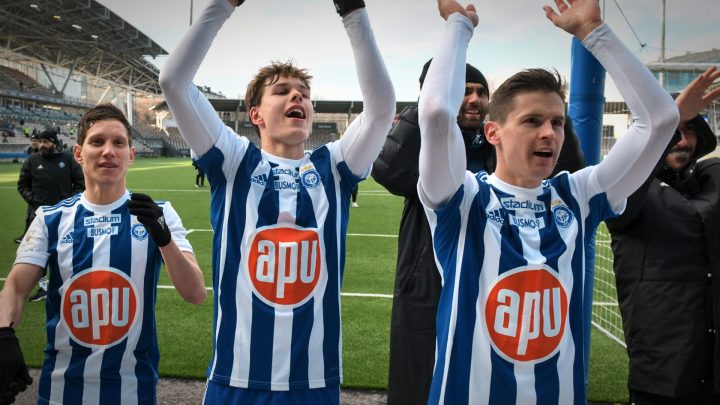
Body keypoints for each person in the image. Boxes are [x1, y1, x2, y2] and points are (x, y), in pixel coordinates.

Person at [417, 0, 679, 403]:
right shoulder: (462, 197)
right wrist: (458, 25)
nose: (550, 134)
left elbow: (661, 119)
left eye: (557, 122)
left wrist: (593, 31)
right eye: (532, 121)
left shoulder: (579, 196)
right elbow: (436, 113)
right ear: (493, 133)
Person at [158, 0, 395, 403]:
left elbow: (380, 111)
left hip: (315, 382)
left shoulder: (335, 165)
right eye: (282, 91)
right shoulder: (234, 160)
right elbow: (174, 81)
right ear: (256, 114)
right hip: (236, 378)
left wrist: (354, 12)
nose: (296, 97)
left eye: (304, 93)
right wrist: (223, 5)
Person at [373, 60, 584, 405]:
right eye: (464, 90)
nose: (474, 99)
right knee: (416, 376)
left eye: (481, 92)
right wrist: (432, 97)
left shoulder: (506, 148)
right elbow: (389, 170)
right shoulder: (432, 148)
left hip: (495, 285)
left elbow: (570, 168)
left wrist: (550, 112)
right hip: (426, 281)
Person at [0, 103, 207, 405]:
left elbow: (196, 293)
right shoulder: (50, 218)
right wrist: (3, 333)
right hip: (61, 391)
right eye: (97, 141)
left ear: (131, 156)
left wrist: (165, 240)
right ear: (78, 154)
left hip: (133, 391)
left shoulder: (159, 214)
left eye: (119, 142)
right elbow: (16, 288)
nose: (108, 151)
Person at [606, 67, 720, 405]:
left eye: (688, 130)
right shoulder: (631, 190)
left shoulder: (711, 180)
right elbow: (622, 198)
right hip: (663, 372)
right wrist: (665, 124)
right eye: (673, 131)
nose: (681, 140)